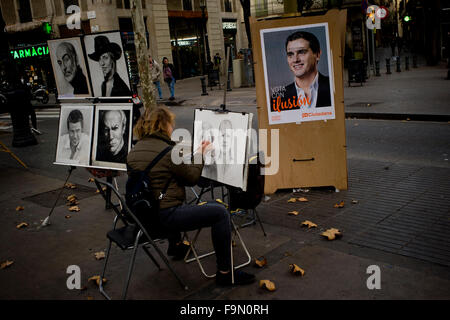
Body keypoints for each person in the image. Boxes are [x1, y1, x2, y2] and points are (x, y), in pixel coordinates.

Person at [127, 106, 255, 286]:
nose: (173, 128)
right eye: (171, 124)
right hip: (166, 217)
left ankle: (176, 246)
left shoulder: (133, 151)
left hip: (143, 217)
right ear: (163, 125)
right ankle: (225, 273)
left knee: (169, 193)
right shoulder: (169, 152)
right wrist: (201, 155)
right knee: (219, 213)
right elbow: (192, 178)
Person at [279, 31, 331, 109]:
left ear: (317, 54)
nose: (295, 60)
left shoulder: (333, 87)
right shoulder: (279, 98)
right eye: (290, 54)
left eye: (301, 52)